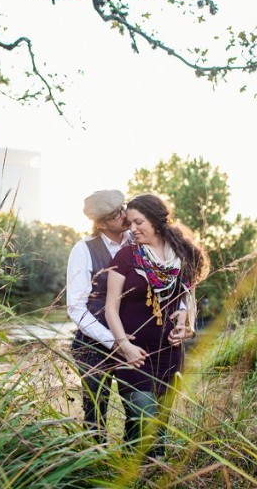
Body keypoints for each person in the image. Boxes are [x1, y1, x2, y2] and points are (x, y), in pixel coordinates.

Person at [104, 193, 209, 457]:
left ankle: (131, 472)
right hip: (135, 358)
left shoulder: (183, 255)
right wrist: (124, 345)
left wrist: (189, 326)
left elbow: (190, 299)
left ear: (156, 220)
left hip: (169, 356)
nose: (132, 228)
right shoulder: (126, 257)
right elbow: (110, 308)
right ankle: (153, 468)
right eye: (129, 223)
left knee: (155, 426)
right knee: (145, 421)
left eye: (138, 221)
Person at [66, 189, 133, 441]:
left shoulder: (139, 243)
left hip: (134, 341)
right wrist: (112, 341)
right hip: (92, 346)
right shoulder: (83, 250)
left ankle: (137, 465)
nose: (124, 215)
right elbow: (76, 308)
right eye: (116, 214)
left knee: (137, 407)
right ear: (101, 223)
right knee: (95, 414)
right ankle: (95, 466)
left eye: (123, 207)